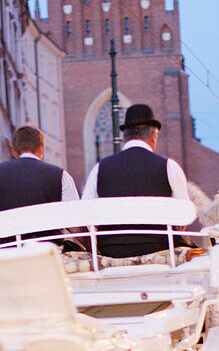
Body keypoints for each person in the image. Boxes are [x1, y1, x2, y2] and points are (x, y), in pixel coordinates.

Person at [81, 103, 191, 257]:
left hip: (112, 251)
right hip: (159, 248)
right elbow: (183, 216)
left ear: (124, 137)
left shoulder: (100, 168)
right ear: (154, 136)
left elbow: (86, 216)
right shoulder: (168, 166)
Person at [0, 125, 79, 244]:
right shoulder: (61, 176)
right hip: (47, 254)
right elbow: (75, 225)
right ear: (41, 147)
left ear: (14, 151)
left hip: (11, 255)